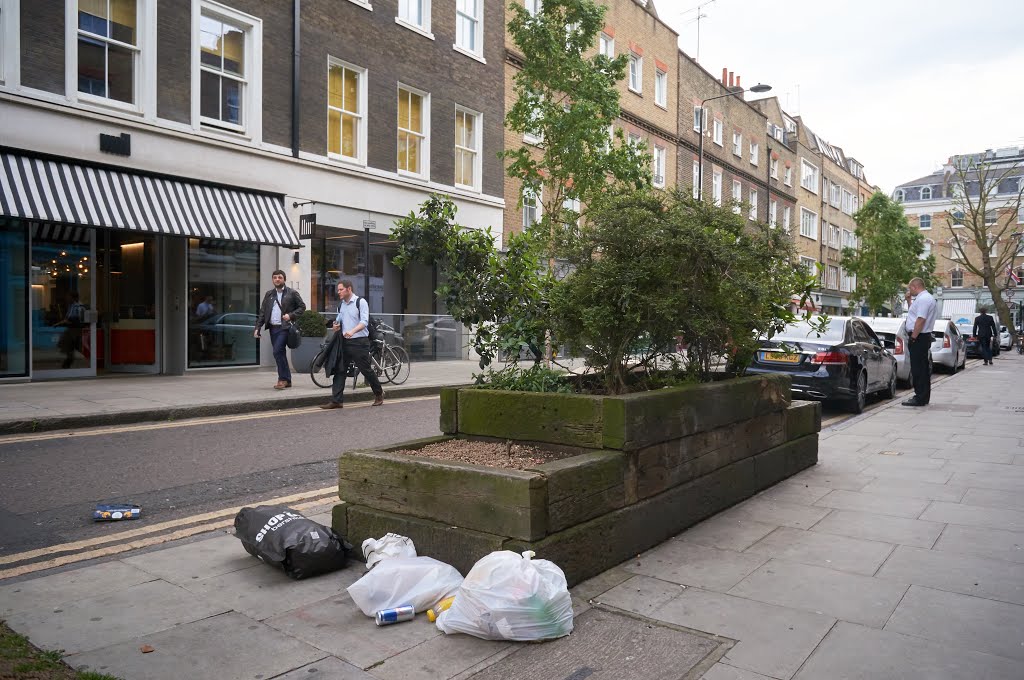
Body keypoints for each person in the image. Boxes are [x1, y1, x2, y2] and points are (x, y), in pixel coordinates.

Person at [320, 279, 384, 409]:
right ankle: (337, 400)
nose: (338, 292)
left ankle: (379, 393)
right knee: (340, 370)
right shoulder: (341, 305)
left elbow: (364, 321)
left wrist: (352, 331)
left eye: (341, 289)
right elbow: (338, 321)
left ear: (349, 289)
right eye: (338, 290)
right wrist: (336, 326)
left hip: (359, 342)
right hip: (344, 342)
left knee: (366, 370)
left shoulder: (360, 302)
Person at [254, 270, 306, 389]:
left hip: (285, 327)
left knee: (277, 351)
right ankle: (287, 379)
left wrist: (291, 315)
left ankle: (282, 379)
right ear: (272, 280)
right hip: (273, 328)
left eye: (280, 277)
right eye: (275, 277)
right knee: (280, 353)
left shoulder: (292, 293)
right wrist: (257, 328)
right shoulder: (269, 294)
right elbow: (263, 312)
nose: (277, 279)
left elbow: (302, 307)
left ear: (284, 279)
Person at [902, 277, 938, 407]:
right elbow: (915, 314)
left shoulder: (923, 299)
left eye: (909, 288)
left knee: (918, 368)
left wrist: (913, 337)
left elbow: (921, 319)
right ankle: (922, 396)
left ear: (914, 287)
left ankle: (920, 398)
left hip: (919, 337)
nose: (909, 290)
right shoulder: (924, 298)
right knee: (921, 367)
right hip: (921, 336)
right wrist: (909, 301)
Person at [59, 292, 87, 369]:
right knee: (67, 344)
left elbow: (81, 319)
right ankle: (68, 361)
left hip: (76, 329)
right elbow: (68, 316)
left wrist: (70, 321)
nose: (67, 299)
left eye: (69, 297)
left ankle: (69, 361)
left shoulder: (79, 306)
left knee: (77, 346)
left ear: (74, 298)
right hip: (71, 329)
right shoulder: (71, 306)